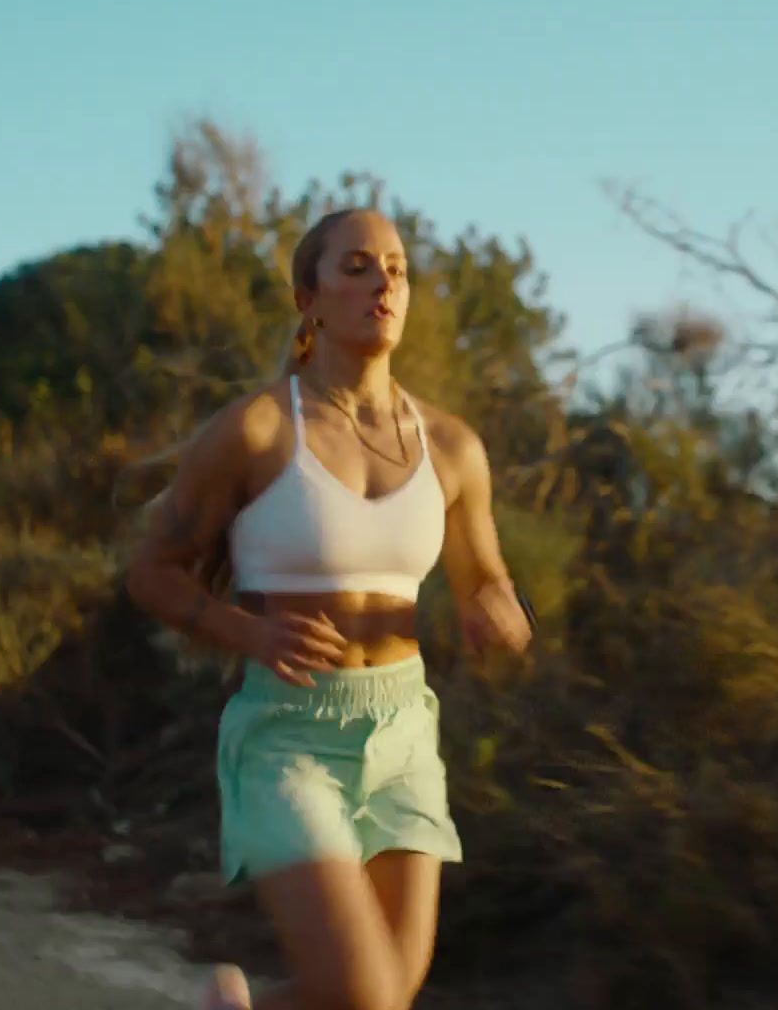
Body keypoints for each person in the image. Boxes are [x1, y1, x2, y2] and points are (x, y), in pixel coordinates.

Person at [125, 207, 535, 1010]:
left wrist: (498, 612)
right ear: (307, 297)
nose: (383, 282)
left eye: (397, 268)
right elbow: (152, 572)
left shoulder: (452, 447)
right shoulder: (258, 429)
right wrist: (245, 629)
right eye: (356, 266)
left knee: (384, 996)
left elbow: (486, 575)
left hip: (404, 731)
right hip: (289, 734)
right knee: (365, 994)